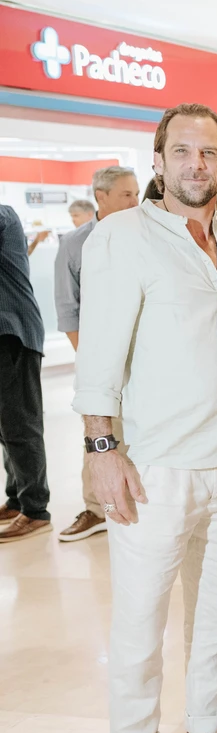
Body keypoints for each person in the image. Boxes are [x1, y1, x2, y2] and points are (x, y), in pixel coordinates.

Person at [73, 103, 217, 733]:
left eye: (208, 152)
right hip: (153, 467)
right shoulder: (122, 235)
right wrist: (102, 446)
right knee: (139, 622)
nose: (196, 164)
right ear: (157, 161)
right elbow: (98, 351)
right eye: (181, 152)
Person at [53, 165, 141, 542]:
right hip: (100, 360)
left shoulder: (144, 234)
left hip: (143, 357)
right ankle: (97, 509)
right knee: (100, 434)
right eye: (126, 195)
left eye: (136, 193)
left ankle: (138, 503)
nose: (135, 201)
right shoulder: (76, 244)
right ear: (100, 197)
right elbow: (67, 309)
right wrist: (93, 364)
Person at [0, 204, 51, 544]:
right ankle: (17, 497)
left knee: (20, 423)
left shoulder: (3, 214)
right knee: (6, 425)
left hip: (13, 333)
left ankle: (35, 510)